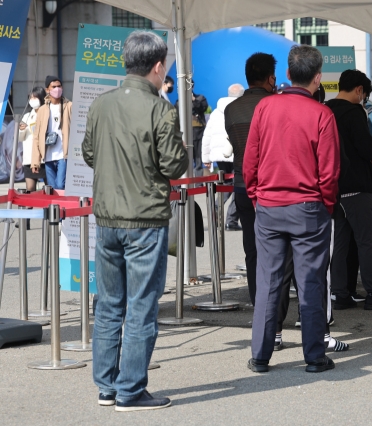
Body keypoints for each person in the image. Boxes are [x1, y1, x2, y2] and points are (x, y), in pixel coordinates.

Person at [82, 31, 188, 411]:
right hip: (144, 218)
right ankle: (130, 390)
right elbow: (174, 164)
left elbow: (89, 154)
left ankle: (107, 387)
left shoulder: (101, 104)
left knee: (109, 303)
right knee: (142, 306)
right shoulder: (160, 108)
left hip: (108, 216)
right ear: (158, 67)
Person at [244, 45, 339, 373]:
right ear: (318, 78)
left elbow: (250, 160)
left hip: (269, 205)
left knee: (268, 279)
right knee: (310, 281)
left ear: (286, 74)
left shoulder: (265, 107)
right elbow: (329, 171)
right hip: (308, 206)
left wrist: (257, 196)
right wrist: (325, 205)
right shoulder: (322, 114)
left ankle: (260, 355)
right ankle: (314, 357)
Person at [326, 69, 372, 311]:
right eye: (364, 94)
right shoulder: (354, 112)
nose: (364, 99)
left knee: (341, 242)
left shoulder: (326, 110)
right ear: (359, 90)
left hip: (335, 185)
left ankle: (339, 293)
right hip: (357, 185)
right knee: (366, 241)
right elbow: (365, 150)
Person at [225, 53, 277, 306]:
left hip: (242, 184)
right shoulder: (277, 105)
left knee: (252, 246)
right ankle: (278, 299)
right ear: (271, 78)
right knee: (281, 246)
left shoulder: (230, 109)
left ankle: (259, 300)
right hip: (274, 187)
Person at [202, 83, 244, 230]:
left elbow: (206, 136)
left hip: (219, 156)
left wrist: (205, 158)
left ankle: (215, 211)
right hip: (236, 154)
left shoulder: (215, 112)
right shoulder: (240, 109)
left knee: (225, 185)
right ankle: (231, 220)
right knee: (239, 186)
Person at [32, 76, 71, 190]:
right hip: (48, 155)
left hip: (63, 154)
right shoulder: (42, 110)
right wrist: (35, 162)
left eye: (59, 86)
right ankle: (57, 208)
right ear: (47, 90)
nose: (57, 89)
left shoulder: (69, 106)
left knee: (60, 185)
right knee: (52, 188)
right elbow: (37, 137)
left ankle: (64, 207)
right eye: (53, 87)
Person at [19, 86, 47, 193]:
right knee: (30, 189)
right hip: (29, 159)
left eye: (35, 98)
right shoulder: (26, 116)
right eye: (31, 98)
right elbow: (20, 138)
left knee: (49, 188)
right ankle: (29, 210)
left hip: (44, 159)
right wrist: (21, 130)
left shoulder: (47, 113)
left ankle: (48, 209)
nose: (32, 100)